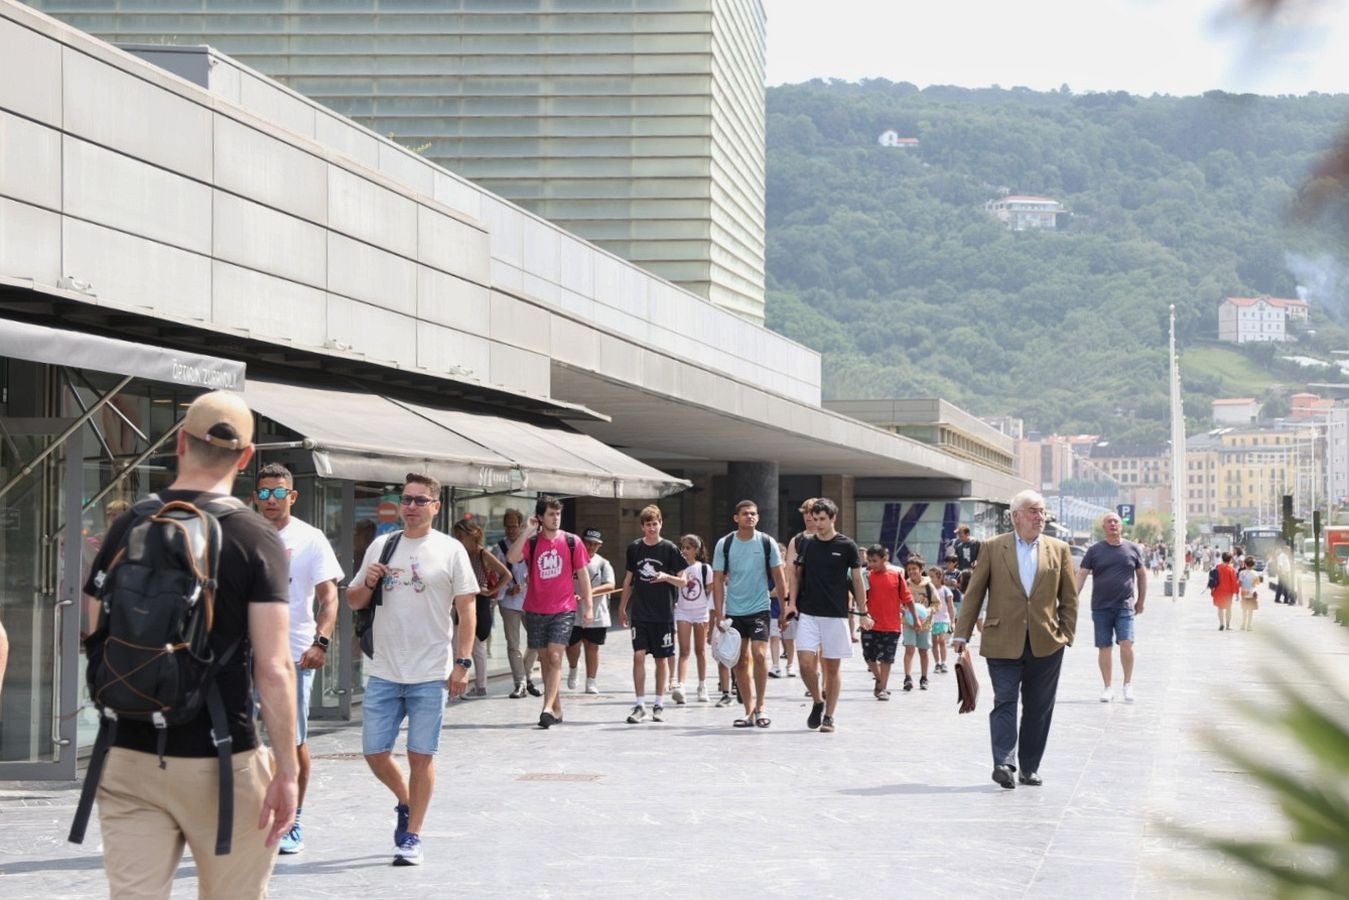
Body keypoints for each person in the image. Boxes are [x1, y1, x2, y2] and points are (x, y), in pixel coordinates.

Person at [81, 390, 297, 897]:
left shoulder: (128, 524)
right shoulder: (254, 538)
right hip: (220, 760)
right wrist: (286, 771)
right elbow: (273, 667)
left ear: (180, 442)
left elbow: (91, 630)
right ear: (245, 458)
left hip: (128, 753)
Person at [348, 473, 479, 865]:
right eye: (406, 499)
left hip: (430, 672)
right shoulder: (382, 545)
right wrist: (369, 581)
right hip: (386, 668)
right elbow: (354, 601)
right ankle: (407, 802)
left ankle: (412, 836)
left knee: (420, 755)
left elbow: (466, 608)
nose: (411, 506)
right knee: (374, 752)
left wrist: (462, 662)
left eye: (420, 500)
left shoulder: (450, 550)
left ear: (435, 507)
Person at [953, 489, 1078, 790]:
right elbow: (975, 593)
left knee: (1038, 707)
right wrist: (962, 632)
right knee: (1005, 701)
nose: (1040, 516)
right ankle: (1004, 763)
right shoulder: (993, 548)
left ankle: (1029, 768)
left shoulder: (1059, 549)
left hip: (1046, 642)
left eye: (1042, 511)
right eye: (1034, 511)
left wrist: (1066, 635)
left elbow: (1069, 598)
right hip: (1001, 640)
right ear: (1016, 516)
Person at [252, 463, 345, 856]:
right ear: (256, 496)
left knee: (291, 743)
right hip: (242, 655)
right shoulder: (242, 532)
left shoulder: (311, 538)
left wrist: (321, 642)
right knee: (238, 742)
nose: (272, 500)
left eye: (279, 493)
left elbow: (329, 597)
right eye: (265, 493)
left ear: (292, 496)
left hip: (292, 658)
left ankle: (293, 819)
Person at [508, 496, 592, 728]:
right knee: (546, 660)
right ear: (541, 517)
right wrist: (526, 531)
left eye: (558, 514)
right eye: (551, 514)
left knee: (555, 656)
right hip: (535, 608)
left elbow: (583, 575)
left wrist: (588, 606)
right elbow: (512, 558)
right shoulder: (533, 542)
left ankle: (546, 708)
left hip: (563, 607)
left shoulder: (572, 541)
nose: (556, 518)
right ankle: (556, 707)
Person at [712, 500, 789, 728]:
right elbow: (717, 579)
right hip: (734, 611)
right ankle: (748, 710)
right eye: (745, 514)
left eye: (754, 514)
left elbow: (779, 576)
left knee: (758, 653)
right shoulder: (724, 544)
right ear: (736, 518)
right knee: (740, 659)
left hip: (760, 608)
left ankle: (762, 705)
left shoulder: (767, 543)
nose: (750, 517)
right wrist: (718, 612)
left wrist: (784, 610)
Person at [793, 498, 867, 733]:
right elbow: (796, 575)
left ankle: (829, 716)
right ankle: (817, 700)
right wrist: (791, 604)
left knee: (832, 668)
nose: (818, 524)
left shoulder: (847, 546)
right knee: (805, 663)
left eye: (822, 519)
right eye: (815, 519)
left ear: (833, 518)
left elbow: (857, 580)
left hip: (835, 614)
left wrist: (864, 611)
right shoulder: (806, 544)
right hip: (808, 612)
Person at [618, 505, 687, 723]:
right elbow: (629, 580)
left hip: (663, 613)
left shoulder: (669, 549)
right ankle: (640, 704)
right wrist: (622, 607)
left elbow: (684, 581)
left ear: (660, 524)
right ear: (642, 527)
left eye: (654, 524)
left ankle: (659, 703)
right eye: (647, 525)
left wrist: (666, 576)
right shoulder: (635, 548)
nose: (651, 528)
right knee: (638, 655)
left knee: (661, 659)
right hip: (640, 612)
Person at [1075, 511, 1146, 704]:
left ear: (1121, 526)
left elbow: (1141, 575)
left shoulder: (1133, 549)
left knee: (1126, 643)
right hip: (1100, 607)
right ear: (1104, 527)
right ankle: (1108, 687)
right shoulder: (1094, 550)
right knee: (1104, 646)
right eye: (1109, 522)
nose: (1113, 524)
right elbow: (1081, 574)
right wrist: (1073, 598)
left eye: (1116, 521)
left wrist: (1141, 600)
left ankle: (1128, 684)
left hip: (1125, 606)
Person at [450, 518, 513, 698]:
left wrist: (491, 590)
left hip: (479, 601)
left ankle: (481, 686)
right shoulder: (457, 553)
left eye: (461, 535)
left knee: (477, 646)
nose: (458, 538)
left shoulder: (482, 554)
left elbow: (506, 575)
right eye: (456, 535)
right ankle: (458, 685)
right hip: (460, 601)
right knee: (456, 644)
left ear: (472, 535)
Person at [493, 509, 540, 699]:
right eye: (507, 526)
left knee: (537, 641)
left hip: (531, 600)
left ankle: (527, 676)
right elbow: (495, 575)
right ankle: (519, 683)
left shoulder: (531, 546)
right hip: (509, 602)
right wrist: (505, 588)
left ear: (521, 526)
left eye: (514, 526)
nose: (510, 530)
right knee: (513, 644)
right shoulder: (499, 549)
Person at [567, 528, 616, 694]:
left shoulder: (603, 563)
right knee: (572, 646)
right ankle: (573, 669)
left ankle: (591, 681)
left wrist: (588, 593)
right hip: (572, 612)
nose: (591, 547)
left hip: (596, 613)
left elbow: (610, 585)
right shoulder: (571, 560)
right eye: (589, 543)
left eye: (595, 544)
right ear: (582, 542)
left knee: (592, 647)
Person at [861, 545, 907, 700]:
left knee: (886, 658)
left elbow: (907, 598)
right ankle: (880, 679)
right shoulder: (866, 576)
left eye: (874, 561)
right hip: (870, 623)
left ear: (884, 559)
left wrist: (915, 617)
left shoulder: (896, 576)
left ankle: (883, 688)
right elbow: (860, 597)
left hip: (891, 625)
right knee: (868, 656)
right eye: (869, 561)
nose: (871, 564)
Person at [673, 534, 714, 702]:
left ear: (696, 550)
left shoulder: (704, 569)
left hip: (701, 612)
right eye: (682, 548)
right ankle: (681, 686)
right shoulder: (679, 568)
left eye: (688, 548)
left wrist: (713, 617)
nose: (684, 551)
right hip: (683, 610)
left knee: (700, 651)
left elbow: (711, 591)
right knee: (684, 650)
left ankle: (702, 685)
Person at [901, 557, 934, 691]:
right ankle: (908, 678)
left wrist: (928, 610)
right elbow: (899, 601)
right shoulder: (904, 585)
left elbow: (937, 603)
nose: (911, 571)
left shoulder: (928, 586)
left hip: (925, 625)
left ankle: (924, 678)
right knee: (909, 649)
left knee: (923, 651)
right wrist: (902, 610)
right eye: (909, 569)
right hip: (908, 624)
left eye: (914, 569)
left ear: (921, 570)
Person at [928, 565, 958, 674]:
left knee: (942, 641)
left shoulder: (945, 591)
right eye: (929, 576)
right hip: (932, 620)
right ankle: (937, 663)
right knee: (934, 642)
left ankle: (944, 662)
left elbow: (951, 607)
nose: (930, 579)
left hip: (944, 619)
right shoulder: (929, 590)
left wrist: (952, 621)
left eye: (932, 576)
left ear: (939, 577)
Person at [1212, 550, 1239, 631]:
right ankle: (1228, 625)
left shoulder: (1217, 567)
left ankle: (1221, 624)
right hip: (1228, 592)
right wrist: (1237, 593)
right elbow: (1234, 582)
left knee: (1220, 608)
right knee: (1228, 608)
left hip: (1218, 590)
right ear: (1230, 559)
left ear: (1222, 558)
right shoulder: (1231, 569)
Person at [1238, 556, 1262, 632]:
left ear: (1245, 564)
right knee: (1251, 610)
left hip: (1244, 592)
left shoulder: (1241, 573)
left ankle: (1243, 624)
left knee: (1244, 609)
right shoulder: (1255, 573)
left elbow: (1240, 583)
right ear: (1253, 565)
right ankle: (1249, 625)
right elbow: (1257, 583)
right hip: (1252, 592)